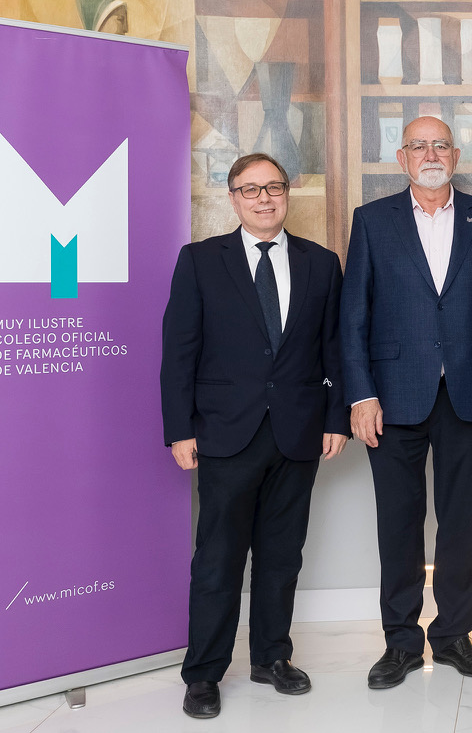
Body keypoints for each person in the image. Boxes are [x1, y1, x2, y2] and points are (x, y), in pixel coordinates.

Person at [341, 115, 472, 690]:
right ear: (401, 158)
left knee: (461, 523)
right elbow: (353, 318)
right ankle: (400, 642)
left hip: (471, 395)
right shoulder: (372, 221)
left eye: (440, 145)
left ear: (455, 156)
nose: (430, 154)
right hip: (392, 397)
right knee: (398, 524)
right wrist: (361, 394)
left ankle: (453, 635)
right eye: (418, 146)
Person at [160, 152, 348, 720]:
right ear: (233, 197)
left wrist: (336, 418)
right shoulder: (200, 261)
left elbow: (334, 348)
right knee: (218, 559)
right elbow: (179, 352)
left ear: (287, 194)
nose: (264, 198)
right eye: (251, 189)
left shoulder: (321, 264)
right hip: (224, 432)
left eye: (274, 187)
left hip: (298, 433)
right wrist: (179, 430)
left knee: (281, 556)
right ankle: (203, 673)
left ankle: (271, 657)